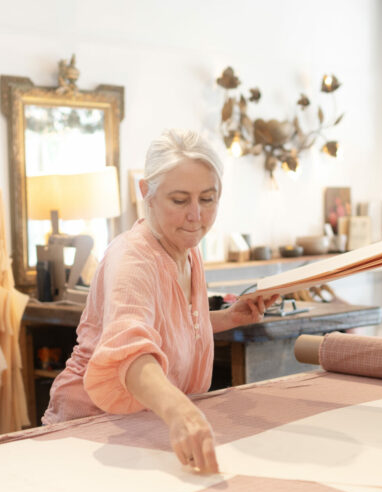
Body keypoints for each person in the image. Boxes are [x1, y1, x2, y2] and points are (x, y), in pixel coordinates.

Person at [42, 129, 278, 474]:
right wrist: (181, 412)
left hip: (145, 421)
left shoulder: (187, 251)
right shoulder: (133, 260)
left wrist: (229, 317)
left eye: (208, 199)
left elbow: (173, 323)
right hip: (92, 426)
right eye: (180, 201)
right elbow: (132, 353)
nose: (195, 215)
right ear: (146, 193)